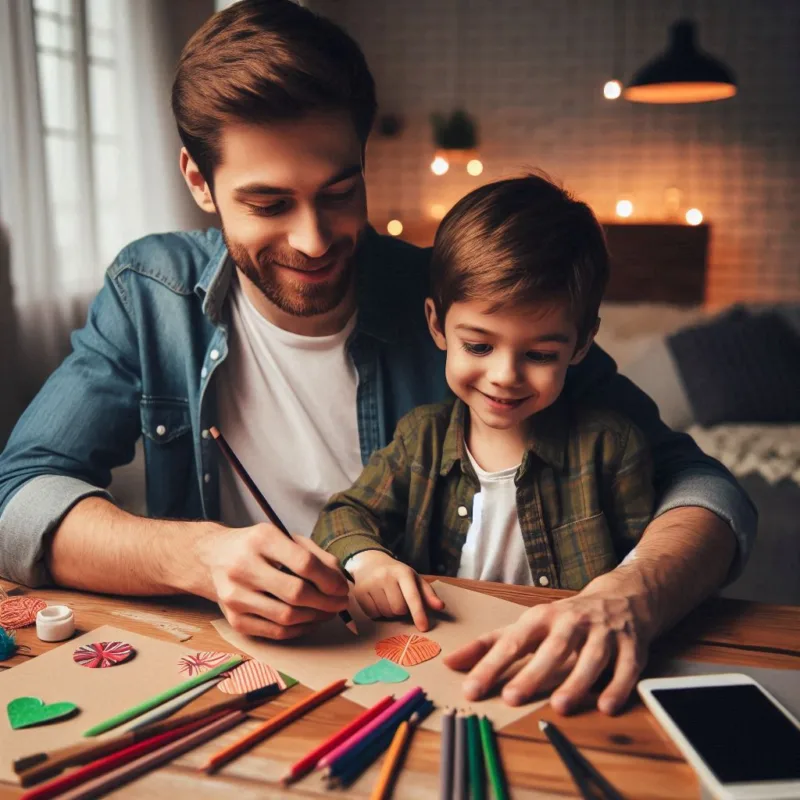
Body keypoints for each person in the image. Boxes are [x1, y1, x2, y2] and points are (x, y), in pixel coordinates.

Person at [0, 0, 754, 715]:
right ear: (199, 181)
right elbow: (17, 498)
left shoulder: (455, 302)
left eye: (339, 191)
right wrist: (194, 556)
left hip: (419, 684)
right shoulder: (150, 293)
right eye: (268, 204)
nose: (313, 240)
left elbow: (706, 488)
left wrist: (630, 593)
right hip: (231, 687)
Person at [313, 172, 656, 626]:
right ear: (437, 325)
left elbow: (644, 571)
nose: (504, 376)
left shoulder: (613, 449)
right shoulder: (421, 439)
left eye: (539, 354)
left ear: (582, 344)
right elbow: (342, 517)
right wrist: (369, 561)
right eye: (478, 347)